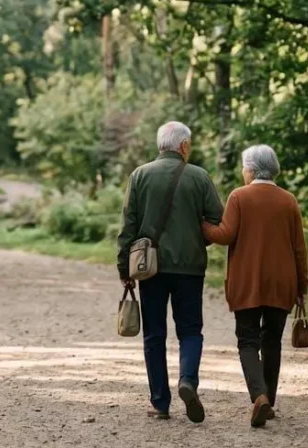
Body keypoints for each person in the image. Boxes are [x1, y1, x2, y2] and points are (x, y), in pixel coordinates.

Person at [117, 121, 224, 423]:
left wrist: (124, 266)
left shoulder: (140, 175)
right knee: (190, 330)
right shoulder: (199, 176)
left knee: (154, 334)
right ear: (184, 146)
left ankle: (160, 402)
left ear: (160, 145)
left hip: (150, 267)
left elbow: (128, 225)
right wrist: (195, 239)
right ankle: (187, 380)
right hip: (190, 268)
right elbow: (217, 219)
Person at [201, 144, 308, 428]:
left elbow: (225, 235)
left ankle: (259, 397)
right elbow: (299, 248)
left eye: (243, 167)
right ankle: (268, 400)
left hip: (247, 281)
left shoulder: (239, 196)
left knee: (247, 340)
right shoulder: (289, 200)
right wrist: (302, 286)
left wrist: (202, 225)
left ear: (250, 169)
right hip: (282, 283)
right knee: (272, 341)